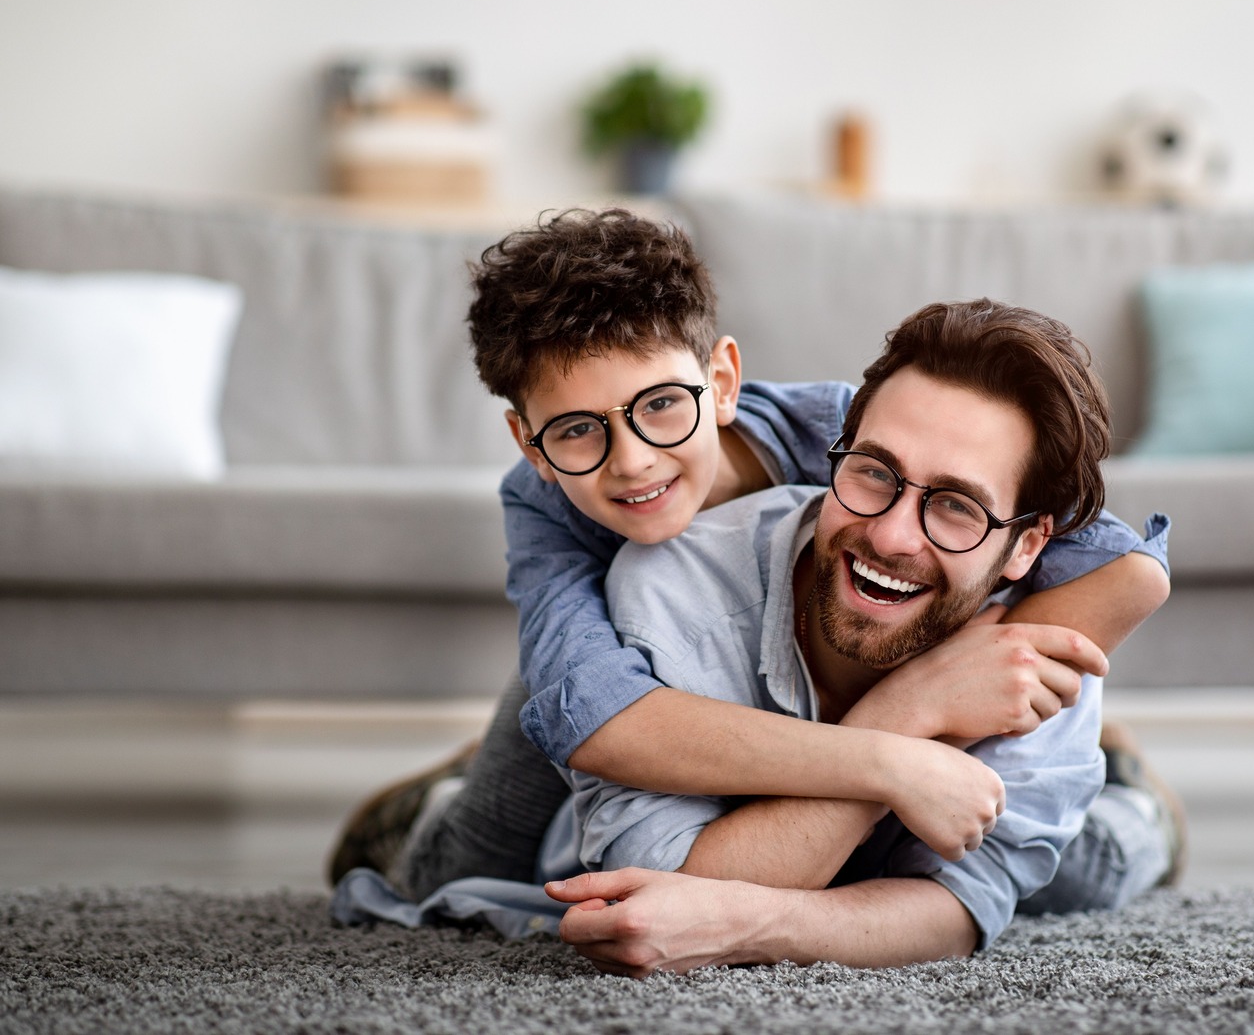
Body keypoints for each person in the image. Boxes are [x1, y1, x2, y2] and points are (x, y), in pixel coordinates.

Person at [326, 209, 1171, 906]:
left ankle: (1140, 805)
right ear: (530, 443)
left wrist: (978, 692)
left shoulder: (854, 433)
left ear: (722, 382)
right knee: (466, 871)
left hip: (834, 664)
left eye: (662, 406)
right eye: (578, 430)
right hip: (609, 668)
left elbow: (1129, 573)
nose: (632, 462)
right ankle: (432, 798)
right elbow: (600, 718)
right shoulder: (544, 500)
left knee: (1062, 877)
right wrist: (900, 728)